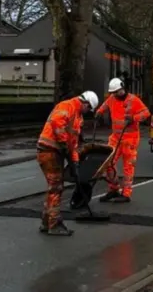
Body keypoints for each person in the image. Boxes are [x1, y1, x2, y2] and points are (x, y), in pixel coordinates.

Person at [36, 90, 99, 236]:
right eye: (89, 108)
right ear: (85, 102)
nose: (88, 111)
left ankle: (46, 222)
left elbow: (73, 144)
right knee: (56, 187)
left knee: (54, 188)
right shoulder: (68, 106)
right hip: (48, 150)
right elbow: (57, 123)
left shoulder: (78, 117)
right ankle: (54, 224)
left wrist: (75, 163)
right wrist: (63, 144)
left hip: (56, 152)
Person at [94, 77, 150, 203]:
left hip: (130, 139)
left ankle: (126, 194)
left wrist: (134, 118)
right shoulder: (112, 99)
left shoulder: (133, 100)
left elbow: (146, 113)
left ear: (123, 89)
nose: (114, 95)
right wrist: (99, 112)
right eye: (113, 93)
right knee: (108, 163)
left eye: (117, 92)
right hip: (115, 138)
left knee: (128, 167)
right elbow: (105, 105)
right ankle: (113, 189)